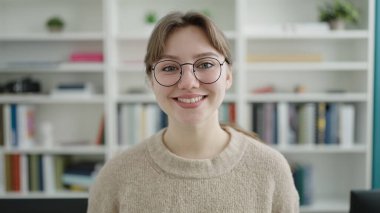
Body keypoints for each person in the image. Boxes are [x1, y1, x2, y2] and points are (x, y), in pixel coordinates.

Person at [87, 11, 299, 213]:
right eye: (169, 68)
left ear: (228, 76)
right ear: (151, 81)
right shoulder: (115, 176)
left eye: (206, 64)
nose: (188, 82)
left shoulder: (271, 169)